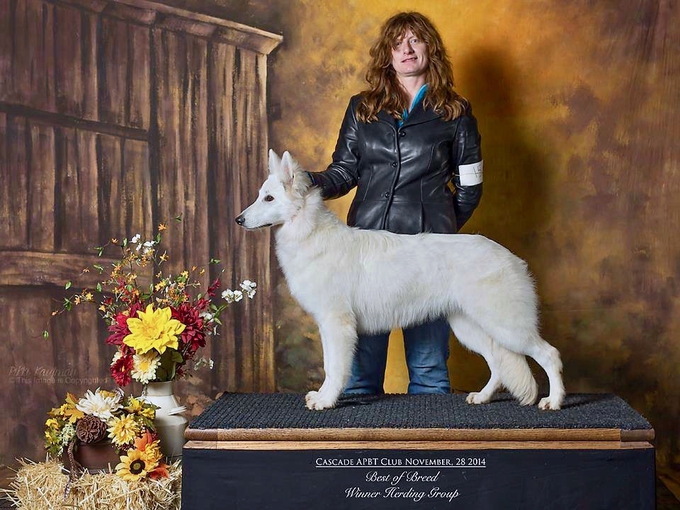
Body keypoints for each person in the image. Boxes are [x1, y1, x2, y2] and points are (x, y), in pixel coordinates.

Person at [307, 11, 483, 396]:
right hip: (367, 251)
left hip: (429, 256)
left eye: (415, 40)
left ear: (429, 49)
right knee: (359, 374)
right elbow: (343, 172)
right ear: (387, 54)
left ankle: (432, 454)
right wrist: (310, 182)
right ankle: (357, 452)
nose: (406, 49)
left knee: (429, 367)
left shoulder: (456, 112)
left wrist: (444, 227)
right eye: (397, 42)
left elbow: (471, 185)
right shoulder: (361, 107)